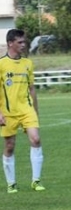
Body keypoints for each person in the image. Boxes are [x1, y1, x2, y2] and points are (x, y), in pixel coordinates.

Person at [1, 29, 46, 194]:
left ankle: (36, 181)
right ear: (10, 43)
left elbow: (32, 88)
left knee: (35, 139)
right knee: (10, 146)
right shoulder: (1, 64)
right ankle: (11, 183)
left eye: (24, 42)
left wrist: (35, 111)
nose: (23, 45)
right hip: (8, 112)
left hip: (26, 110)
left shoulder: (28, 63)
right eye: (19, 42)